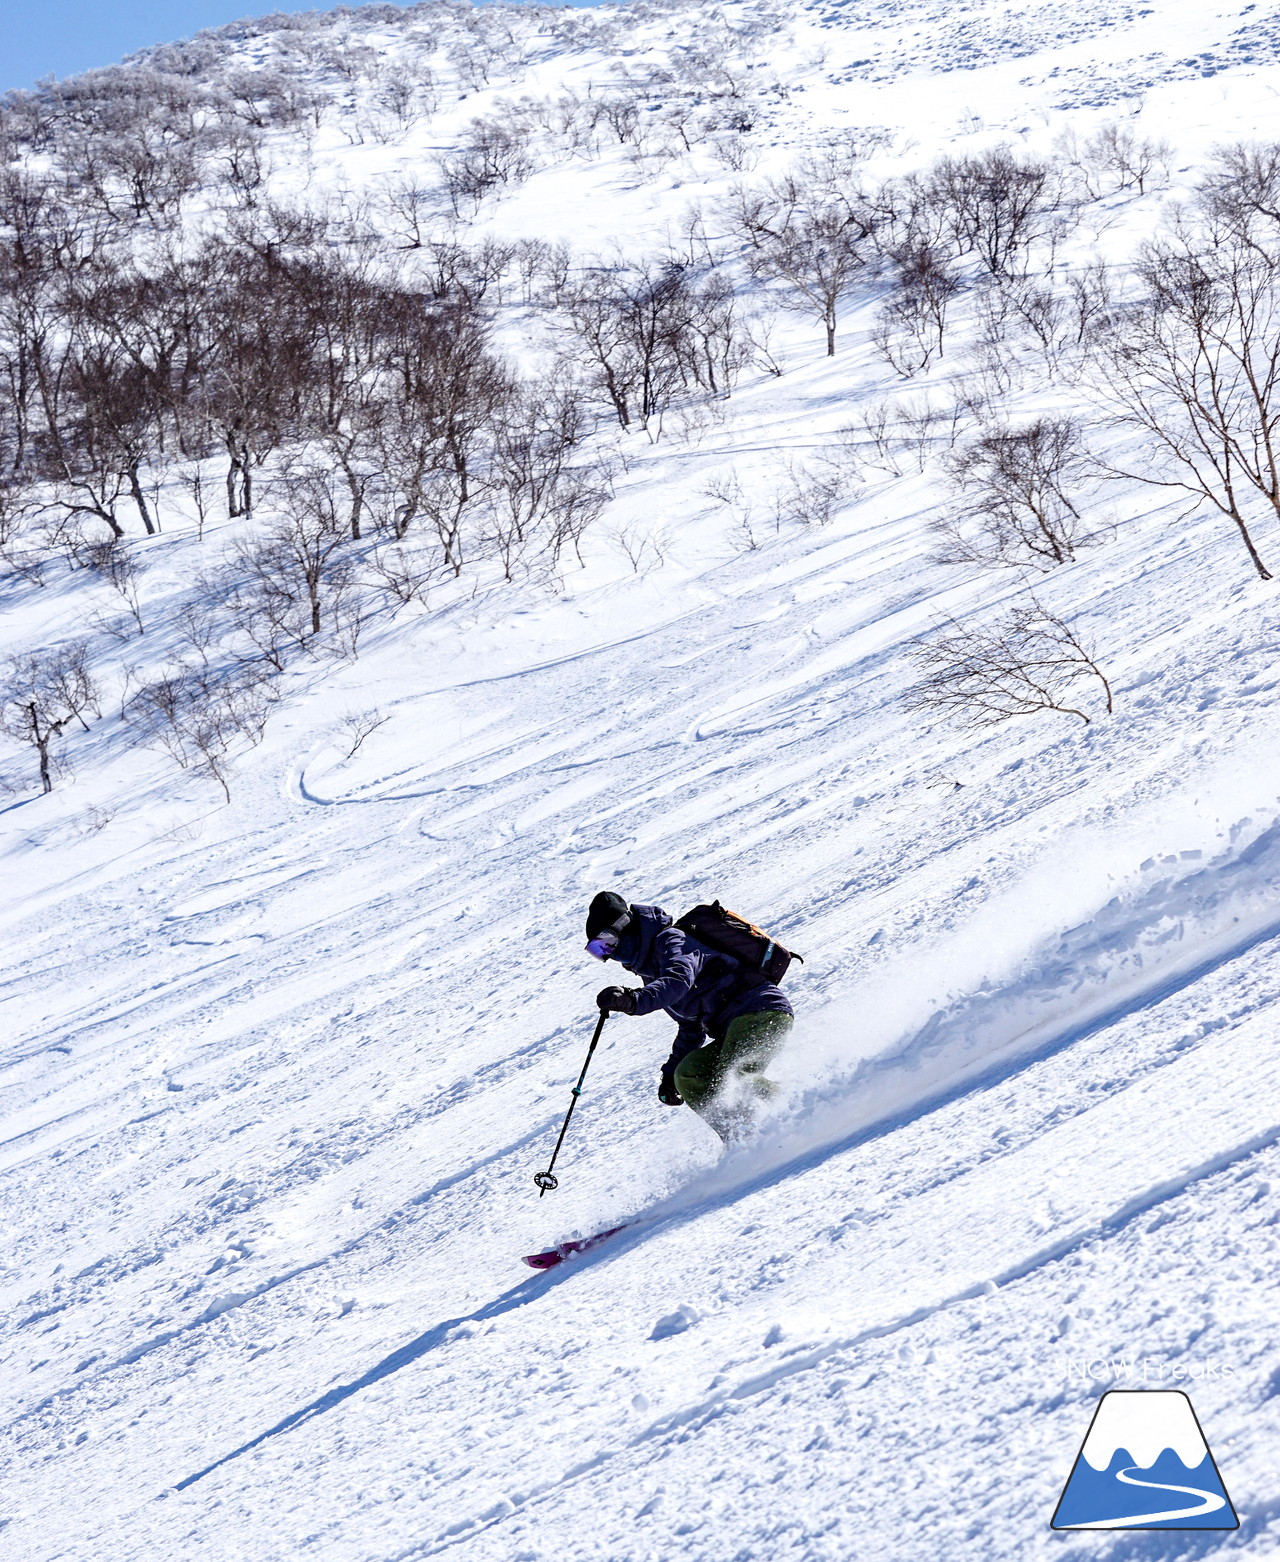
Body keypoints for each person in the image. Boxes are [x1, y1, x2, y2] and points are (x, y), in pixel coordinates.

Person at [583, 890, 793, 1141]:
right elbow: (690, 1025)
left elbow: (678, 981)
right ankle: (742, 1139)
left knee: (737, 1077)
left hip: (760, 1011)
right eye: (597, 950)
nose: (608, 954)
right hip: (737, 1025)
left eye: (605, 942)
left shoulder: (672, 940)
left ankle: (800, 1110)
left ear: (624, 927)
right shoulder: (650, 971)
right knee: (690, 1074)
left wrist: (633, 1001)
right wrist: (671, 1075)